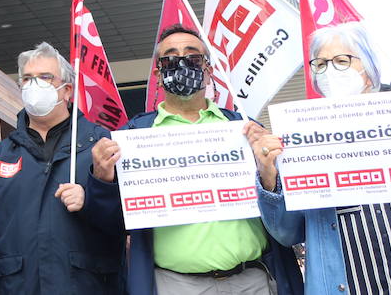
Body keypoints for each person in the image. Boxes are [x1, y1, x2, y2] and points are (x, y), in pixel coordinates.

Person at [90, 23, 303, 295]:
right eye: (170, 57)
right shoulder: (133, 137)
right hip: (174, 285)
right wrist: (101, 180)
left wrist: (268, 171)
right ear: (157, 73)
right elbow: (109, 223)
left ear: (208, 70)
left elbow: (286, 219)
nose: (181, 63)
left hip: (253, 281)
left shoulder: (244, 128)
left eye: (192, 57)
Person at [250, 22, 391, 294]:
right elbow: (287, 233)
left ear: (369, 72)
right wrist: (268, 173)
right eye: (321, 64)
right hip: (351, 283)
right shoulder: (300, 137)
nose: (330, 71)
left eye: (341, 61)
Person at [0, 42, 123, 293]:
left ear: (67, 90)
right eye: (27, 79)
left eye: (45, 78)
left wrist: (93, 198)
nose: (34, 85)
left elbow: (127, 224)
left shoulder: (103, 146)